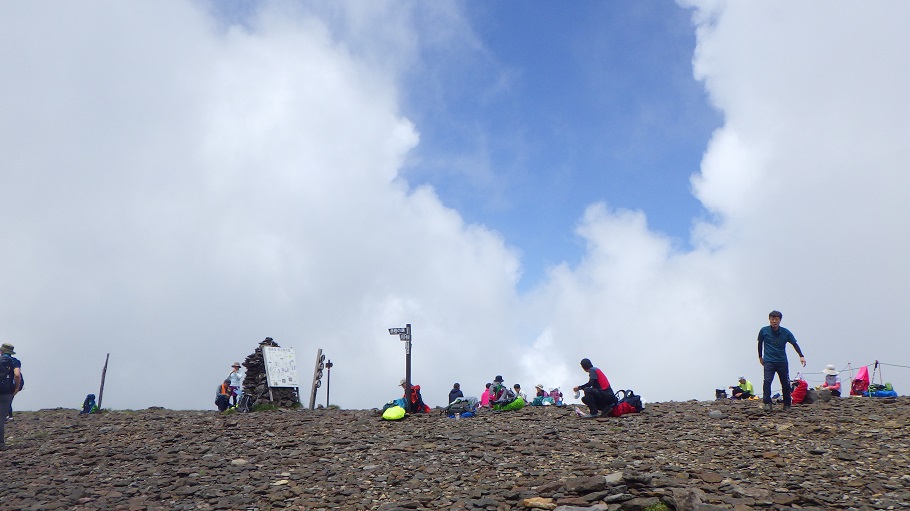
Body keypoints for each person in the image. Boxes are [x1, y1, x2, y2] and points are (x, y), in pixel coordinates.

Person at [757, 310, 806, 412]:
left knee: (785, 383)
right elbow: (760, 343)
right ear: (769, 319)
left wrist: (801, 356)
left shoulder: (785, 332)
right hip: (769, 360)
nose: (774, 321)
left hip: (782, 361)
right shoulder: (764, 331)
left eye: (776, 319)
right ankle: (767, 403)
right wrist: (760, 357)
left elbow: (794, 343)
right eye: (772, 319)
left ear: (780, 320)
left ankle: (787, 404)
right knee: (767, 381)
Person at [0, 343, 22, 449]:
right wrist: (17, 388)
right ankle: (1, 444)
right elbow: (17, 375)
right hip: (7, 392)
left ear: (2, 351)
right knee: (1, 417)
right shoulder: (15, 361)